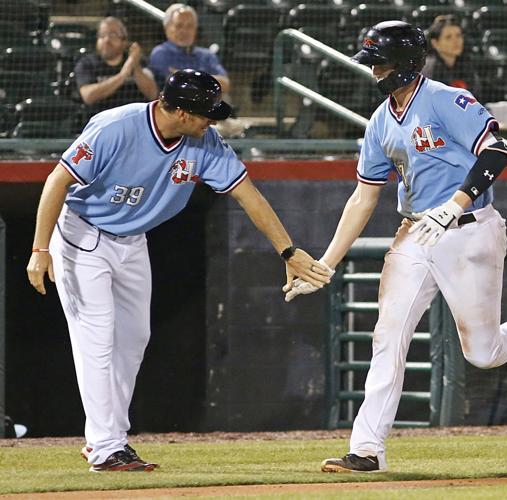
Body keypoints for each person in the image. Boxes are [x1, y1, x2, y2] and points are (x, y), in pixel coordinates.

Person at [283, 21, 507, 473]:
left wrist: (454, 203)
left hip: (469, 227)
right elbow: (363, 196)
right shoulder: (380, 122)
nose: (373, 71)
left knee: (483, 353)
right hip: (415, 232)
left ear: (406, 63)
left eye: (380, 62)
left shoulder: (445, 99)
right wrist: (326, 263)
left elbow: (498, 151)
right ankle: (367, 449)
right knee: (388, 335)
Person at [26, 69, 331, 472]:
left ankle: (106, 436)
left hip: (133, 239)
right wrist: (40, 248)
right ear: (183, 113)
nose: (213, 121)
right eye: (207, 113)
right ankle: (105, 446)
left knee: (134, 339)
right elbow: (57, 181)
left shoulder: (204, 141)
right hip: (82, 235)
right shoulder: (115, 127)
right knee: (96, 339)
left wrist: (287, 250)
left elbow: (248, 195)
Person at [75, 17, 159, 118]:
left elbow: (153, 94)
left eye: (113, 35)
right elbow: (88, 96)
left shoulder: (139, 61)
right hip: (101, 122)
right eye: (102, 36)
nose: (106, 40)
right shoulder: (87, 63)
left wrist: (135, 65)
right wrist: (123, 75)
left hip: (136, 121)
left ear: (124, 41)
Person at [149, 4, 230, 93]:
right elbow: (174, 85)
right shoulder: (160, 53)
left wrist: (189, 77)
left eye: (190, 26)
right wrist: (205, 79)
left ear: (195, 29)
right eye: (179, 26)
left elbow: (225, 84)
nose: (184, 31)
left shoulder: (207, 55)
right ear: (166, 28)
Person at [421, 15, 482, 98]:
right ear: (435, 43)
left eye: (458, 35)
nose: (456, 41)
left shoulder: (466, 65)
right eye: (448, 37)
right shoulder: (429, 68)